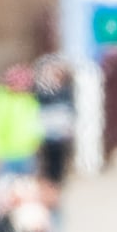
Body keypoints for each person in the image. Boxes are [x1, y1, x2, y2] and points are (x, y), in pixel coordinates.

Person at [0, 65, 43, 178]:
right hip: (3, 155)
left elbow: (35, 125)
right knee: (2, 188)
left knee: (24, 189)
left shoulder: (29, 100)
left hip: (26, 153)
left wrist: (36, 145)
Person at [34, 56, 77, 190]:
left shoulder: (65, 90)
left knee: (58, 160)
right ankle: (47, 184)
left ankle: (56, 184)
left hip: (59, 131)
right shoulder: (40, 90)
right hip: (45, 130)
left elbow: (69, 108)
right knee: (45, 160)